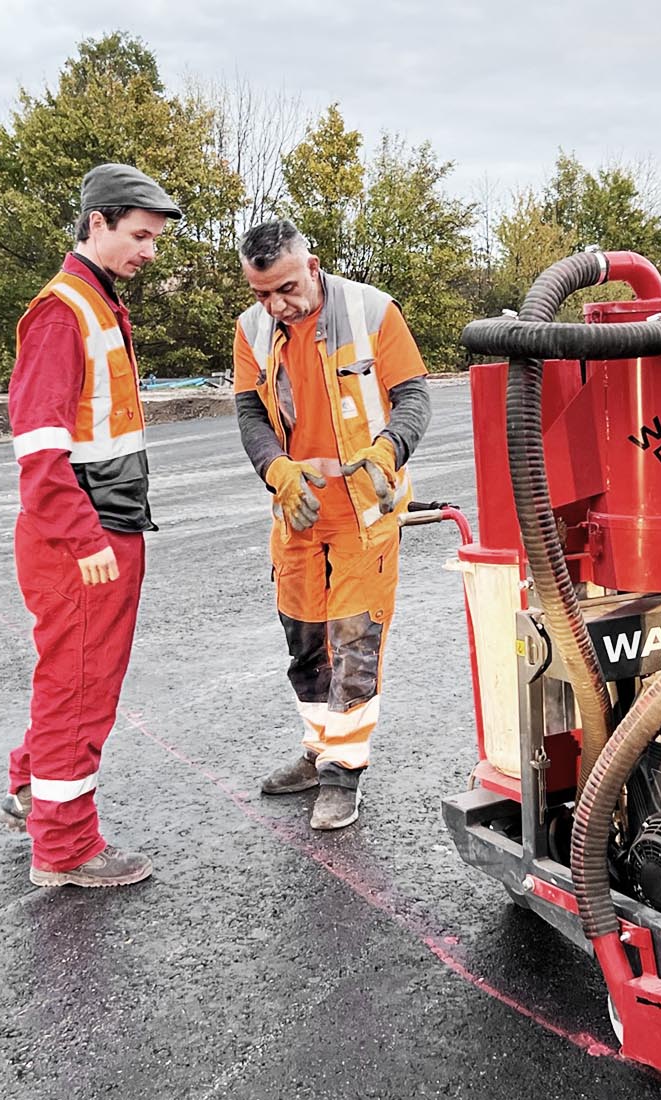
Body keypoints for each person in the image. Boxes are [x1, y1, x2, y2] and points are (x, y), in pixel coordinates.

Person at [0, 163, 181, 888]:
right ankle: (66, 846)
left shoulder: (95, 301)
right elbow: (40, 452)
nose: (149, 251)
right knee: (79, 687)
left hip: (100, 530)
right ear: (96, 223)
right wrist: (84, 538)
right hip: (84, 539)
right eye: (140, 236)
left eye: (155, 239)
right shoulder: (63, 312)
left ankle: (29, 790)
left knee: (70, 678)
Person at [231, 220, 432, 830]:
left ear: (312, 267)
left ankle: (344, 772)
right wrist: (278, 471)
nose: (276, 305)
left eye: (286, 288)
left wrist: (387, 451)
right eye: (263, 293)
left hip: (363, 515)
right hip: (299, 513)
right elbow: (250, 413)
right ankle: (319, 751)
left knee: (354, 644)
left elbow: (414, 397)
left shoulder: (373, 312)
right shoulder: (252, 329)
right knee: (304, 644)